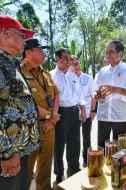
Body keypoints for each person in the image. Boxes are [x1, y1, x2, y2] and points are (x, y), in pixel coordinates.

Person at [0, 15, 40, 190]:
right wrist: (6, 154)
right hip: (1, 162)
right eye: (22, 35)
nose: (25, 40)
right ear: (6, 33)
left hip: (16, 153)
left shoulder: (6, 62)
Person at [21, 38, 60, 190]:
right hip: (29, 129)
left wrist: (53, 117)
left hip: (49, 127)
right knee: (26, 169)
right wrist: (50, 116)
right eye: (40, 50)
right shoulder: (18, 71)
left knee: (45, 166)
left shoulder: (45, 73)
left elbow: (56, 96)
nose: (43, 53)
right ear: (29, 52)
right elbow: (24, 103)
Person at [50, 48, 86, 185]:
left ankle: (73, 169)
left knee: (75, 143)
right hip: (61, 113)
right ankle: (59, 174)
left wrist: (82, 110)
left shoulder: (72, 76)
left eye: (69, 58)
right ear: (57, 58)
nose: (68, 61)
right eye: (65, 58)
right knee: (59, 144)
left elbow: (80, 95)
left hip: (74, 111)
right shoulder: (51, 75)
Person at [94, 40, 126, 149]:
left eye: (111, 52)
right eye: (106, 52)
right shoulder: (102, 71)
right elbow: (95, 90)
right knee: (102, 147)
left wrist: (115, 89)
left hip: (120, 116)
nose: (107, 55)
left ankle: (118, 166)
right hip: (103, 115)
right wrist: (98, 95)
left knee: (119, 149)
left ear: (120, 54)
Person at [72, 56, 96, 168]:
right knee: (74, 140)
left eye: (78, 63)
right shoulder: (68, 78)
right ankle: (74, 164)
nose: (77, 66)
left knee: (86, 138)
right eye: (74, 64)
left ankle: (87, 160)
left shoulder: (88, 78)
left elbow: (93, 97)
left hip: (86, 113)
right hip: (72, 115)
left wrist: (92, 111)